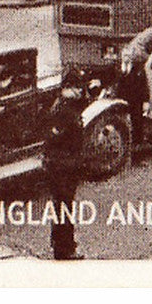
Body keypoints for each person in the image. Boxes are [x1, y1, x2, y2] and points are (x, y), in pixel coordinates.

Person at [42, 80, 86, 260]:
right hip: (65, 167)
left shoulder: (58, 106)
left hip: (57, 165)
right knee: (65, 208)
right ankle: (65, 249)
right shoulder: (66, 112)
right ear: (67, 89)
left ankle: (59, 244)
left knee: (60, 206)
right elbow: (71, 137)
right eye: (76, 88)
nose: (78, 92)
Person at [115, 44, 150, 159]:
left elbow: (144, 86)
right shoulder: (117, 68)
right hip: (121, 100)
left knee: (137, 127)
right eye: (125, 55)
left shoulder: (138, 68)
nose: (127, 57)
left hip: (136, 101)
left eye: (129, 55)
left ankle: (138, 156)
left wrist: (146, 101)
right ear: (121, 56)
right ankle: (123, 154)